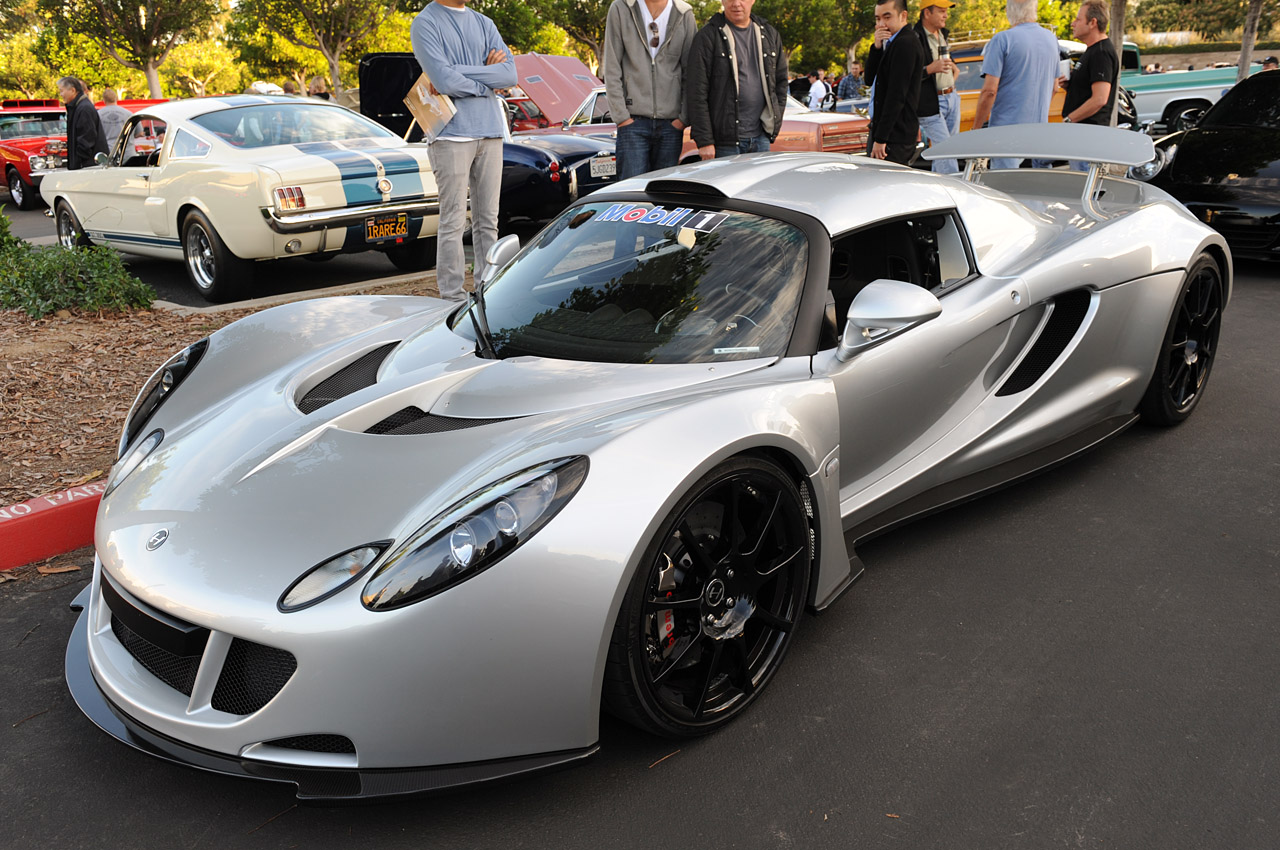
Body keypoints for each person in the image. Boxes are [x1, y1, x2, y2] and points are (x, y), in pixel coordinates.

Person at [411, 0, 515, 302]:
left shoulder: (485, 22)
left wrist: (458, 72)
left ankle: (487, 291)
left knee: (488, 221)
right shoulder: (425, 22)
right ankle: (452, 296)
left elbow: (509, 76)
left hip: (491, 130)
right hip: (451, 133)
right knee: (453, 220)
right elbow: (441, 81)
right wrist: (486, 78)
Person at [602, 0, 697, 180]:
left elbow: (690, 71)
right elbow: (612, 67)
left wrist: (683, 118)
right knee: (631, 195)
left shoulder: (684, 13)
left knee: (663, 197)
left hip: (671, 125)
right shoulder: (621, 8)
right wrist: (622, 118)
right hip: (632, 123)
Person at [686, 0, 789, 160]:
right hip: (723, 143)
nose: (736, 3)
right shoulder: (707, 36)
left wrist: (773, 121)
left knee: (759, 185)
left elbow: (781, 84)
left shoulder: (769, 34)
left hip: (761, 137)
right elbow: (696, 92)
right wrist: (704, 140)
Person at [969, 0, 1059, 169]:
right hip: (1040, 131)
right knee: (1039, 188)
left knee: (1005, 188)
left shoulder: (1002, 40)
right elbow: (1055, 87)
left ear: (1008, 11)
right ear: (1034, 9)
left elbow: (989, 91)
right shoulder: (1051, 39)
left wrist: (976, 129)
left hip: (1006, 134)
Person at [864, 0, 924, 165]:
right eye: (877, 19)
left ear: (903, 15)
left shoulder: (905, 43)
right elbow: (869, 79)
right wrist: (876, 48)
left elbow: (896, 95)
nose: (881, 24)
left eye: (887, 17)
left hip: (895, 136)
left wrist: (881, 139)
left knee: (886, 186)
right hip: (884, 131)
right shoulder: (890, 43)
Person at [913, 0, 960, 174]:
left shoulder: (942, 34)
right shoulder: (914, 38)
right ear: (927, 13)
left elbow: (949, 64)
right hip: (931, 102)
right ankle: (955, 190)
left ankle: (939, 190)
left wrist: (953, 81)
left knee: (946, 152)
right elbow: (906, 74)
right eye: (941, 11)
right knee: (947, 154)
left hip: (952, 98)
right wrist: (929, 69)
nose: (946, 15)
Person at [57, 76, 108, 170]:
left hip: (88, 166)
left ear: (72, 90)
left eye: (62, 91)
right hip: (85, 165)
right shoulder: (78, 107)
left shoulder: (84, 109)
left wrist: (79, 161)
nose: (61, 94)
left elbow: (86, 139)